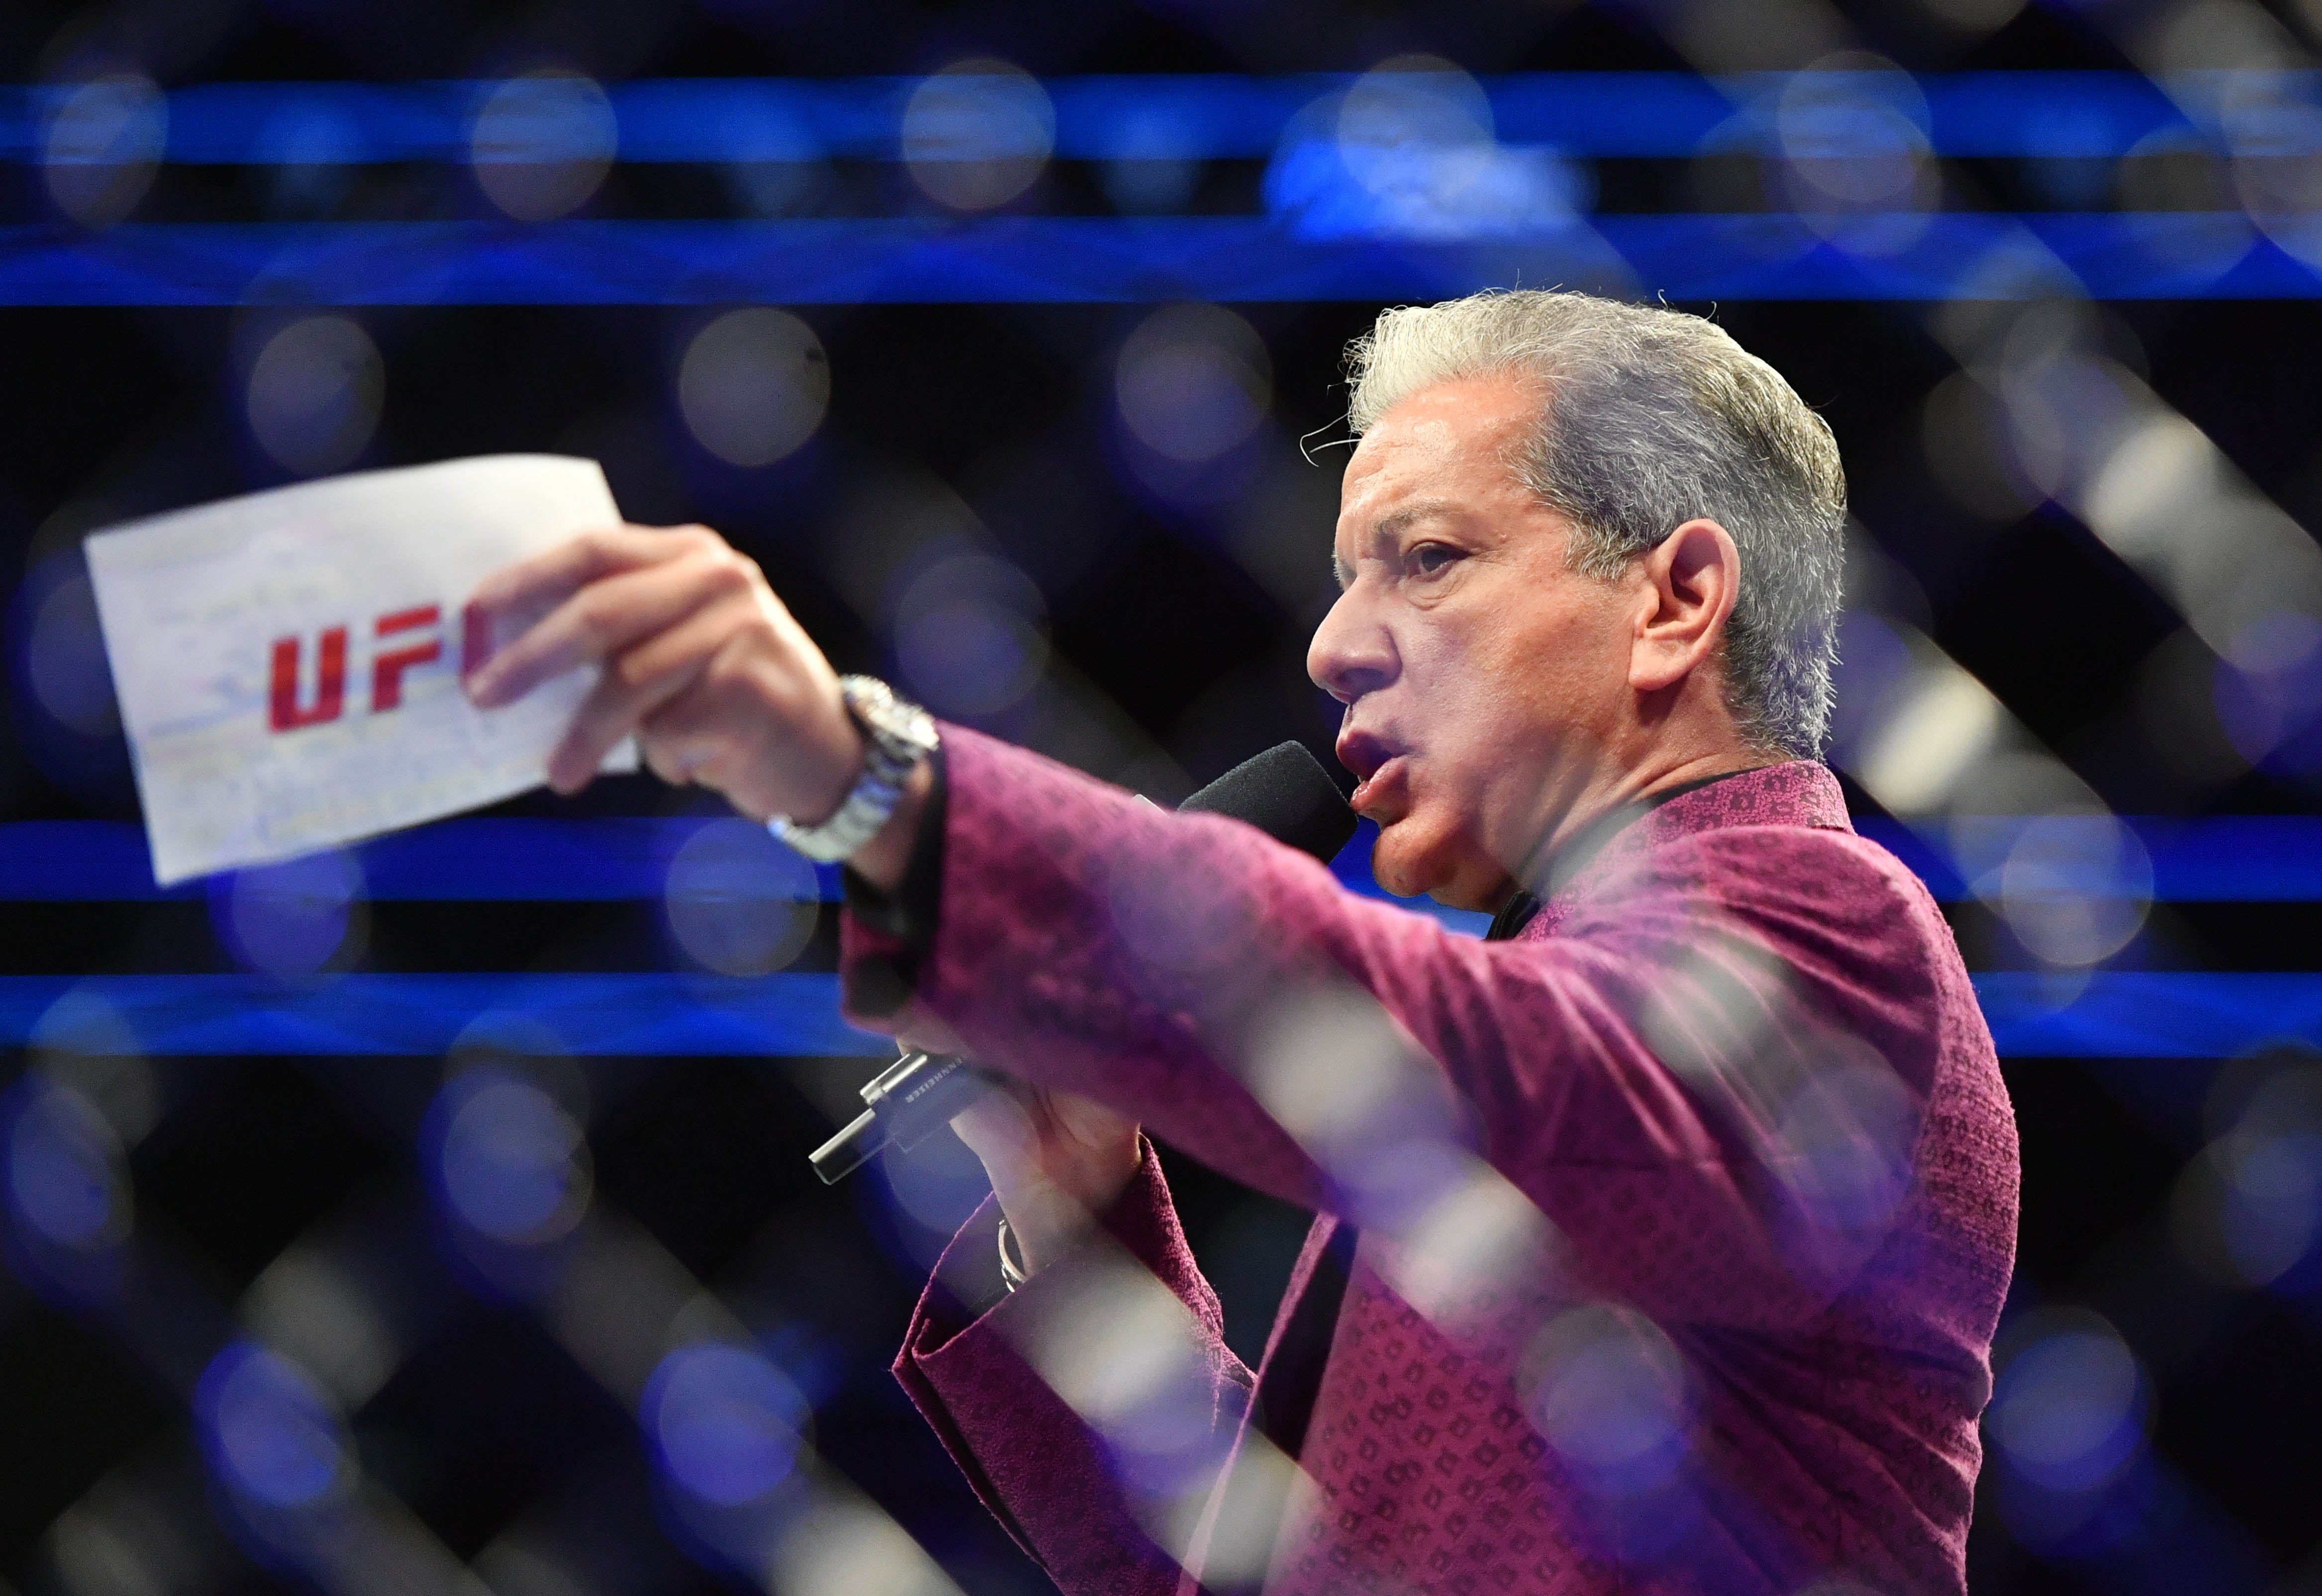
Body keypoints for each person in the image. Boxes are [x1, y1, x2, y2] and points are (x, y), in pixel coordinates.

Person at [464, 289, 2019, 1595]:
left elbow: (1476, 1066)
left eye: (1426, 557)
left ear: (1673, 600)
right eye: (1344, 579)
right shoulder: (1540, 1016)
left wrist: (869, 780)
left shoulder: (1821, 926)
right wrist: (1080, 1227)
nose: (1331, 646)